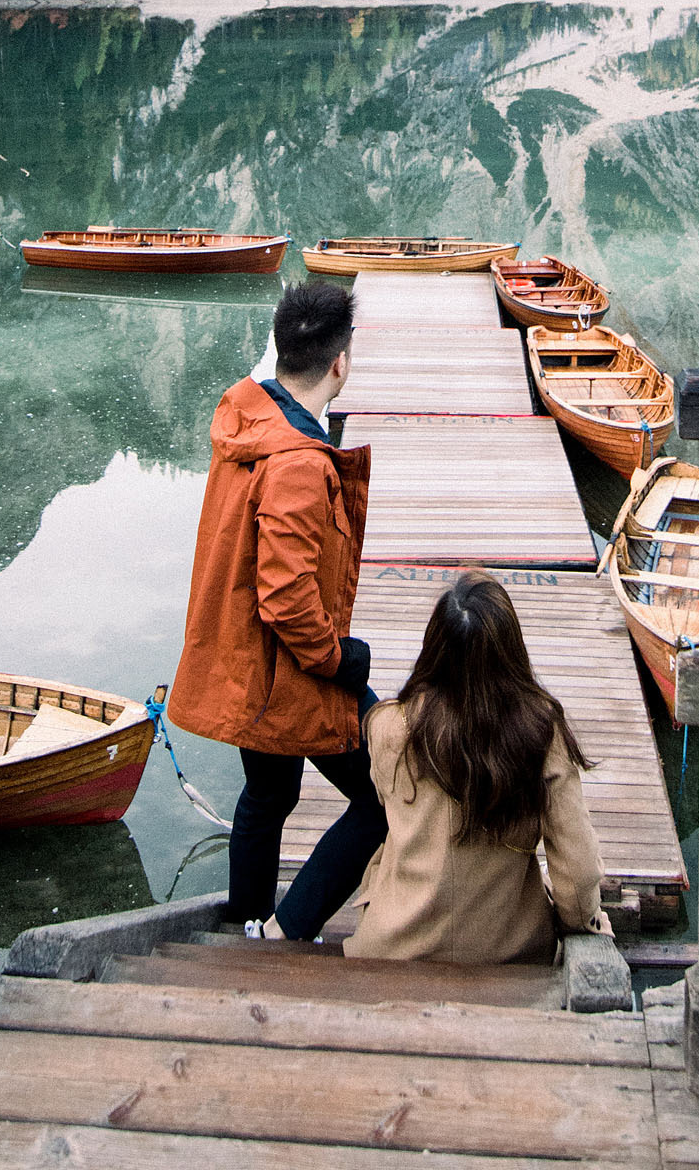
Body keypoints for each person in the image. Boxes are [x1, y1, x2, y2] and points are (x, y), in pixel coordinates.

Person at [166, 278, 386, 941]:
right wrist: (339, 659)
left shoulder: (250, 416)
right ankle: (287, 929)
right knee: (383, 794)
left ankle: (245, 917)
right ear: (340, 363)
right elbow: (287, 597)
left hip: (246, 658)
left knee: (269, 794)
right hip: (284, 668)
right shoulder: (297, 464)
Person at [345, 568, 610, 963]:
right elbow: (576, 872)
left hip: (392, 947)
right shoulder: (541, 736)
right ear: (511, 651)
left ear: (433, 647)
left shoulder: (389, 728)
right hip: (509, 954)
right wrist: (586, 922)